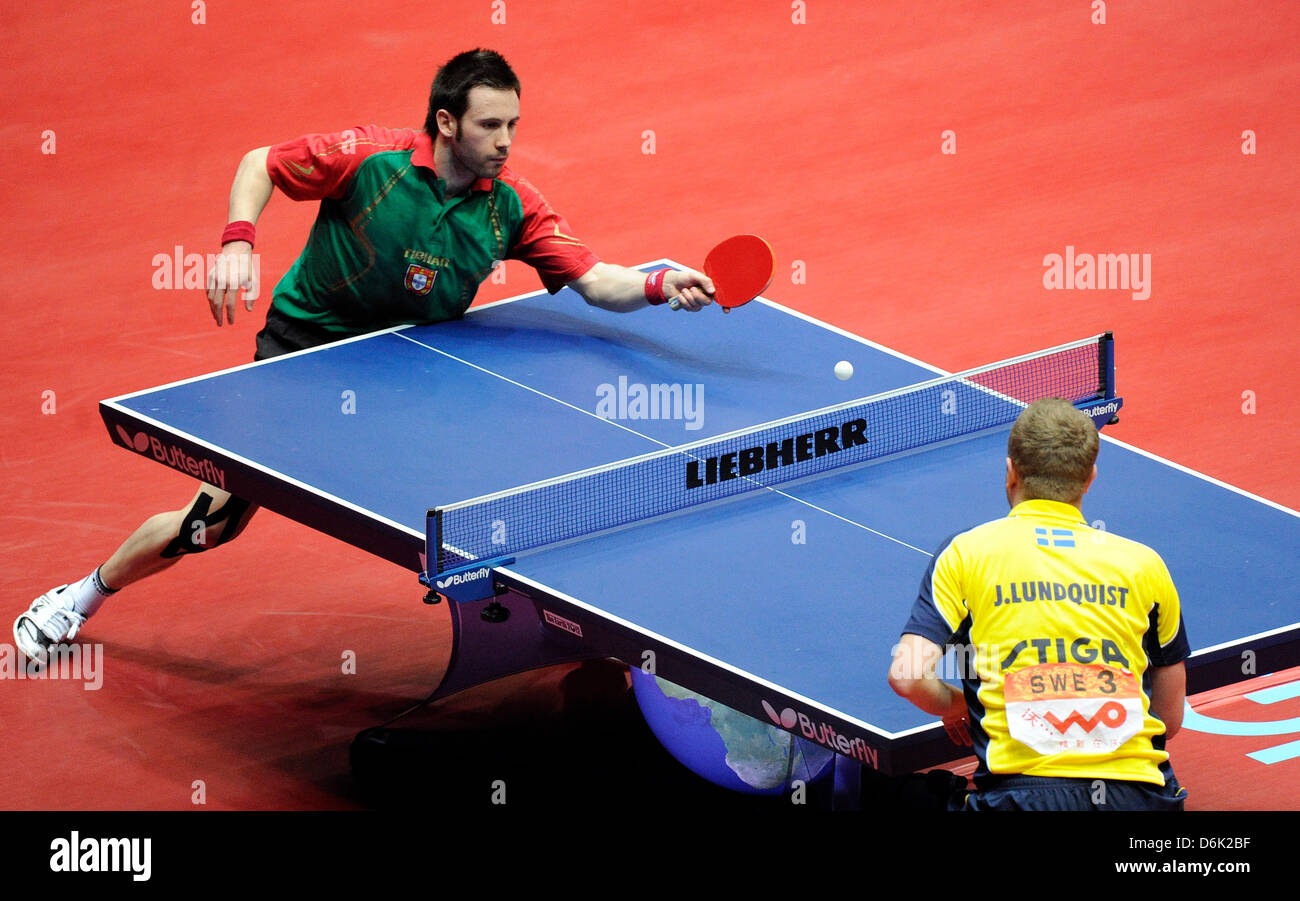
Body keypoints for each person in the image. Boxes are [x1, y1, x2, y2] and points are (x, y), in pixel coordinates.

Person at [15, 48, 715, 664]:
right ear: (446, 123)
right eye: (490, 125)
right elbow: (260, 163)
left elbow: (597, 281)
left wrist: (658, 283)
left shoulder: (509, 206)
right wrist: (236, 240)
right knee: (213, 522)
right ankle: (81, 596)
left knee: (502, 471)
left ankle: (541, 616)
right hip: (305, 355)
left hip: (411, 374)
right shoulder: (369, 159)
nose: (506, 143)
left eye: (514, 126)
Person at [888, 398, 1190, 811]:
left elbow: (907, 676)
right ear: (1090, 478)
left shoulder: (966, 553)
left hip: (1022, 800)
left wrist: (956, 704)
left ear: (1011, 471)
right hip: (1140, 798)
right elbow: (1170, 721)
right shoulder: (1145, 564)